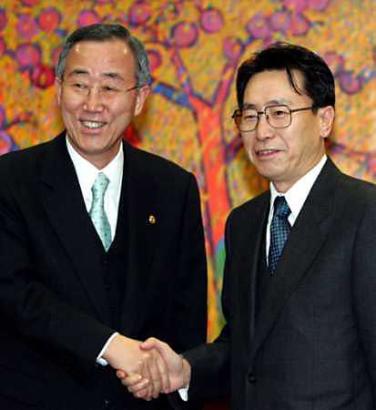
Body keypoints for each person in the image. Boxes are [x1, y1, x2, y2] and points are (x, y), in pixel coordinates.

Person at [123, 42, 376, 409]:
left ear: (324, 119)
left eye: (279, 113)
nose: (262, 131)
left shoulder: (364, 214)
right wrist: (186, 370)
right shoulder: (244, 223)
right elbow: (245, 345)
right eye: (251, 115)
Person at [0, 23, 207, 410]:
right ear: (59, 89)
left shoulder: (173, 189)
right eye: (79, 85)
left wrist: (163, 375)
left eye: (110, 87)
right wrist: (111, 347)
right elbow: (14, 294)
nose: (92, 103)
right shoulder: (11, 181)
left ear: (140, 98)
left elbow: (186, 319)